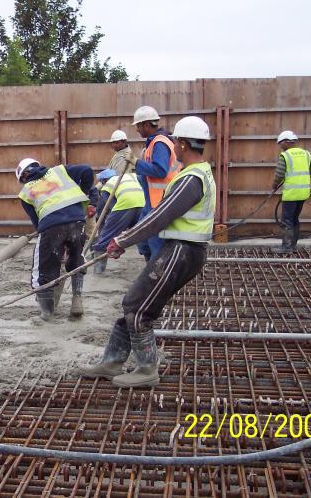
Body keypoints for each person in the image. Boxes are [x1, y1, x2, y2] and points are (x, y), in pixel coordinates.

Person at [79, 116, 216, 388]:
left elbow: (160, 217)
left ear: (184, 144)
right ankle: (112, 361)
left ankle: (146, 369)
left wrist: (122, 240)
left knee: (139, 309)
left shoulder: (191, 179)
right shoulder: (196, 173)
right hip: (180, 250)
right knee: (134, 302)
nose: (174, 146)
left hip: (181, 251)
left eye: (177, 141)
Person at [17, 158, 95, 321]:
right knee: (77, 258)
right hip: (77, 219)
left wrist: (55, 242)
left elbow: (38, 224)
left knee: (42, 269)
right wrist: (84, 193)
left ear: (24, 176)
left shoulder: (25, 192)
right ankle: (77, 299)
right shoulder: (60, 171)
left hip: (51, 225)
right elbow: (87, 169)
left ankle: (47, 313)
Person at [131, 106, 181, 262]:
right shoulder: (152, 143)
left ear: (146, 124)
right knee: (142, 238)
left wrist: (136, 163)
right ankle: (150, 268)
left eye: (138, 126)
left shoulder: (159, 142)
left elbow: (160, 171)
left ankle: (156, 274)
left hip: (161, 201)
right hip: (151, 201)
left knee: (155, 242)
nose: (137, 130)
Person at [271, 130, 311, 254]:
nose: (280, 147)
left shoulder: (285, 156)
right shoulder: (306, 154)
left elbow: (279, 174)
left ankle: (286, 248)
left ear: (287, 142)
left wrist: (275, 185)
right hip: (303, 193)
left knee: (287, 220)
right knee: (295, 219)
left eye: (281, 144)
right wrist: (304, 175)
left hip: (291, 193)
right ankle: (293, 246)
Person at [90, 168, 145, 274]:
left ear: (103, 181)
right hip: (142, 204)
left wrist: (111, 227)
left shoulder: (106, 187)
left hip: (124, 205)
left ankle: (98, 272)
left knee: (105, 237)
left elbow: (106, 209)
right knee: (142, 234)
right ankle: (149, 263)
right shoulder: (131, 176)